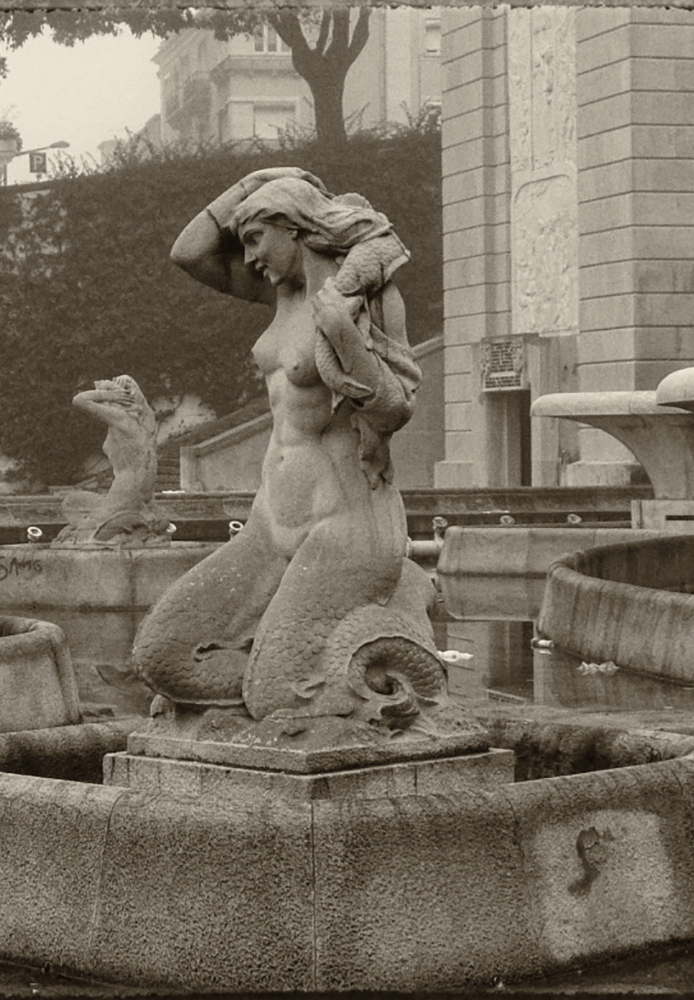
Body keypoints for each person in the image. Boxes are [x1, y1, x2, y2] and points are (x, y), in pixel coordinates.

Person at [132, 167, 449, 727]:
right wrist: (250, 184)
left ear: (295, 228)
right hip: (268, 525)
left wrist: (344, 334)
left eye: (256, 238)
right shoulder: (279, 293)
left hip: (346, 526)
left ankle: (391, 610)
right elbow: (188, 253)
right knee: (163, 656)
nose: (249, 256)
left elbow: (396, 408)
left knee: (280, 694)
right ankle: (281, 670)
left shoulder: (367, 296)